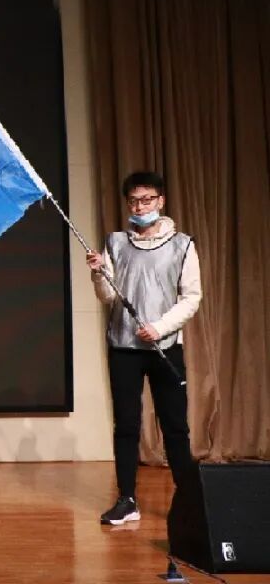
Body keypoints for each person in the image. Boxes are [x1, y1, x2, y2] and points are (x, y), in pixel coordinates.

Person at [86, 171, 202, 526]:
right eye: (134, 201)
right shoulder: (116, 242)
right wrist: (98, 273)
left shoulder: (183, 245)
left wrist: (160, 327)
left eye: (147, 199)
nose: (140, 206)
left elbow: (191, 297)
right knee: (126, 425)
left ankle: (189, 502)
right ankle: (127, 500)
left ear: (160, 201)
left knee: (175, 426)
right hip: (124, 347)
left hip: (165, 347)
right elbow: (108, 297)